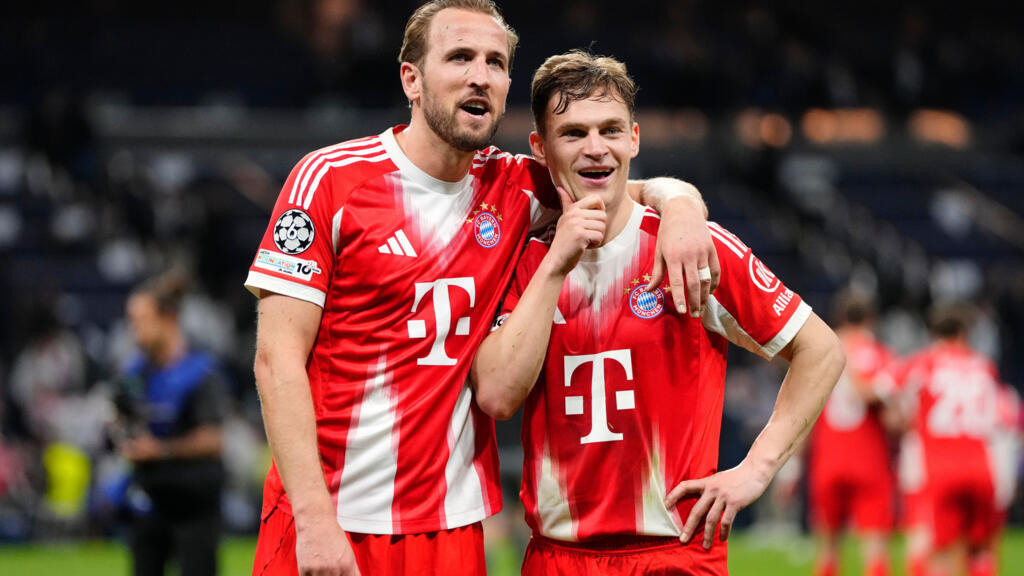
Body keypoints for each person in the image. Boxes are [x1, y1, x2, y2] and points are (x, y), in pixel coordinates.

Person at [244, 2, 719, 575]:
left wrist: (683, 207)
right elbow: (276, 361)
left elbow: (617, 181)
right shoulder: (331, 180)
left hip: (453, 527)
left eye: (496, 62)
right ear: (411, 80)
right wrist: (314, 517)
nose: (480, 75)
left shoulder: (515, 187)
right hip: (334, 516)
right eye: (460, 57)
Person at [470, 49, 845, 574]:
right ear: (541, 148)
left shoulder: (692, 247)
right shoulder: (521, 259)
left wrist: (756, 469)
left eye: (611, 130)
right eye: (574, 133)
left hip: (673, 556)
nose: (596, 148)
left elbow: (822, 350)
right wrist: (555, 265)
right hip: (558, 558)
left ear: (635, 139)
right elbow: (496, 394)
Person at [113, 271, 229, 576]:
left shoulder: (200, 371)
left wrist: (161, 450)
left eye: (141, 321)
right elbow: (121, 423)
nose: (134, 330)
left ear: (168, 318)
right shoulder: (135, 373)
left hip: (194, 499)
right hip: (151, 497)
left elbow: (214, 439)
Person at [883, 303, 1006, 576]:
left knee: (939, 551)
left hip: (940, 468)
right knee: (982, 548)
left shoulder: (922, 361)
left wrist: (906, 419)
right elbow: (997, 416)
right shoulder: (984, 366)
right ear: (965, 332)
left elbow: (885, 389)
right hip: (981, 465)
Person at [806, 291, 897, 576]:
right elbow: (893, 415)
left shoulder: (818, 351)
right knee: (874, 547)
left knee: (828, 547)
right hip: (868, 459)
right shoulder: (880, 353)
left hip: (827, 457)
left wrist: (793, 466)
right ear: (871, 318)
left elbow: (803, 412)